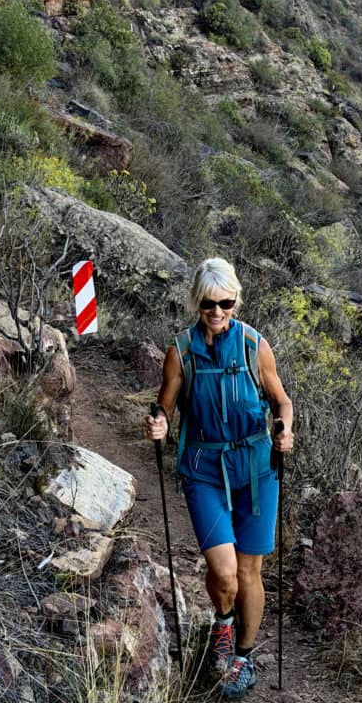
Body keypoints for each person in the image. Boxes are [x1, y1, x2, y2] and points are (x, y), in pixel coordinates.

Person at [144, 258, 294, 699]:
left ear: (235, 300)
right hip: (204, 470)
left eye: (226, 303)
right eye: (209, 304)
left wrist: (285, 430)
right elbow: (164, 407)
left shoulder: (254, 346)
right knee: (224, 573)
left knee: (249, 572)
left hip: (256, 469)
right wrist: (158, 424)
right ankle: (223, 622)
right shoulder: (181, 351)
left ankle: (242, 656)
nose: (217, 312)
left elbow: (282, 402)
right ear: (197, 301)